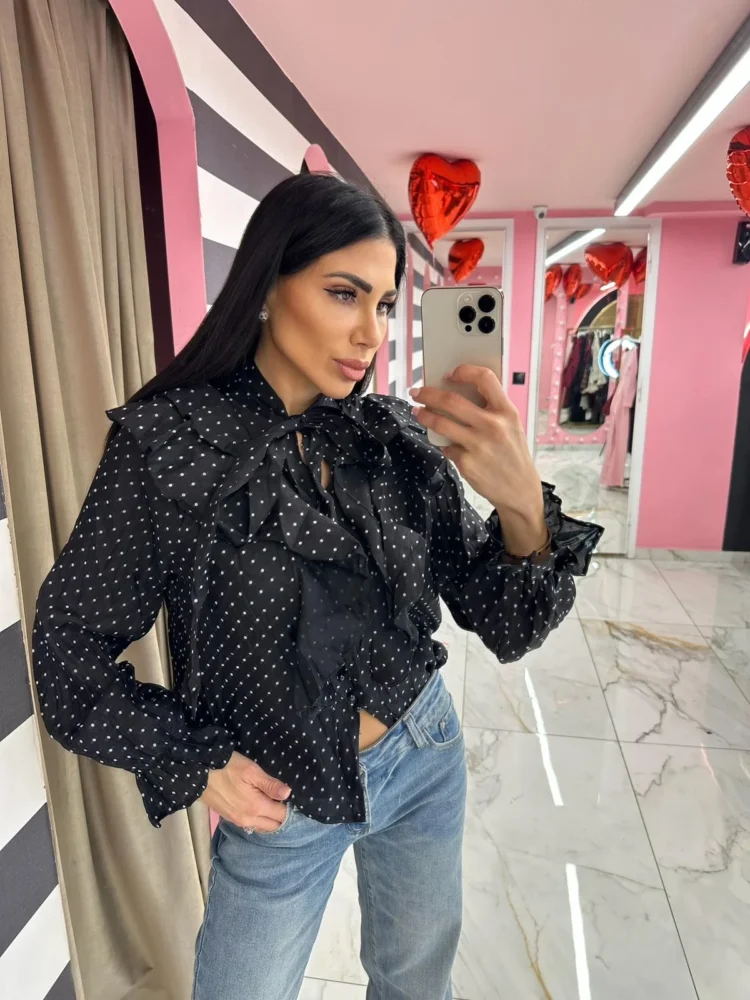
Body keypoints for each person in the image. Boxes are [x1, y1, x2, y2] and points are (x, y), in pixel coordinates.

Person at [32, 173, 602, 1000]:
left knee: (415, 981)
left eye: (384, 303)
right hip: (279, 797)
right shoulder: (173, 446)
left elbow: (504, 623)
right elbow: (67, 653)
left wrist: (520, 504)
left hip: (424, 753)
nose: (371, 332)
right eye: (344, 293)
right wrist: (197, 761)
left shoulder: (391, 438)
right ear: (267, 286)